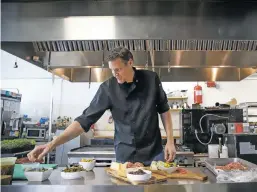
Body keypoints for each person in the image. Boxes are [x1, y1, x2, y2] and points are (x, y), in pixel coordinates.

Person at [27, 47, 176, 165]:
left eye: (118, 69)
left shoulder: (151, 79)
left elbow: (164, 109)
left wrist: (170, 140)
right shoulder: (108, 88)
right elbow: (84, 121)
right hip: (126, 157)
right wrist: (52, 144)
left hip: (154, 153)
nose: (115, 74)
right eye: (112, 70)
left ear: (130, 62)